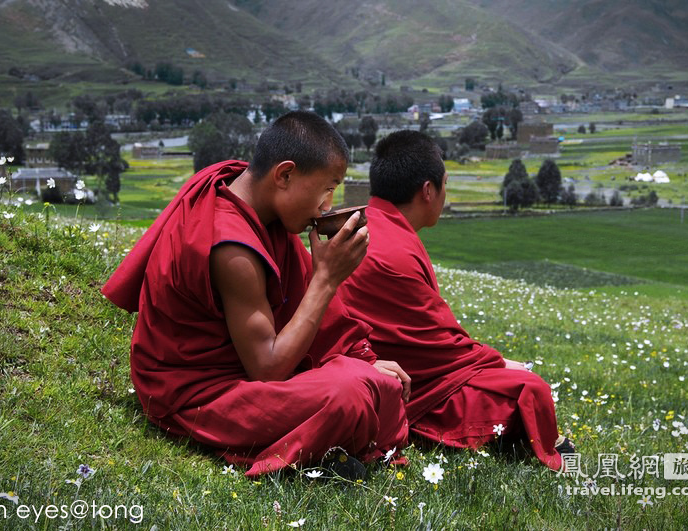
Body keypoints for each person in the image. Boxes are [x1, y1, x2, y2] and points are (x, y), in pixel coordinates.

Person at [102, 111, 410, 477]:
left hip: (248, 370)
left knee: (377, 384)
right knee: (352, 395)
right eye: (328, 187)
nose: (327, 206)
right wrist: (326, 279)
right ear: (285, 174)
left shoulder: (253, 201)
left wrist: (363, 359)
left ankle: (338, 434)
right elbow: (268, 369)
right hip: (197, 393)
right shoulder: (232, 248)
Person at [338, 130, 574, 470]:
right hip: (403, 387)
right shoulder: (395, 251)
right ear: (429, 191)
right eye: (445, 185)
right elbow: (440, 350)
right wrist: (497, 362)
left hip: (372, 374)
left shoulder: (371, 225)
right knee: (528, 388)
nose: (445, 195)